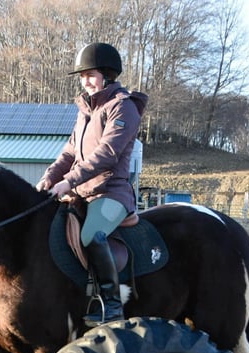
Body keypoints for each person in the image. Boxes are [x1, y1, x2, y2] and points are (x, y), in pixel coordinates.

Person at [37, 42, 148, 326]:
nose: (85, 81)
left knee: (92, 235)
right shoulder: (85, 110)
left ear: (107, 75)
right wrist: (50, 177)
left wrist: (68, 182)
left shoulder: (123, 107)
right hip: (82, 193)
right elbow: (69, 153)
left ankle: (111, 305)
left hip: (111, 192)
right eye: (82, 76)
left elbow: (106, 155)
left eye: (90, 75)